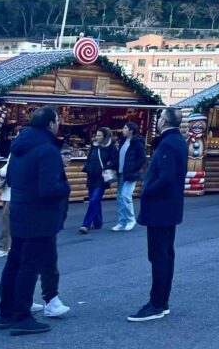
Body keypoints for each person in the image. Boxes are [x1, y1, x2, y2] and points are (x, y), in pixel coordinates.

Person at [0, 107, 70, 336]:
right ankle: (22, 316)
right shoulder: (47, 150)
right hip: (40, 215)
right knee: (30, 266)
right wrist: (65, 187)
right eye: (57, 121)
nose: (58, 124)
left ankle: (6, 312)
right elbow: (49, 189)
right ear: (50, 124)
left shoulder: (19, 146)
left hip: (19, 209)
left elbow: (10, 177)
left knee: (14, 263)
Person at [128, 107, 188, 322]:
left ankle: (156, 303)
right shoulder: (178, 141)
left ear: (164, 121)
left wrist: (147, 191)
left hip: (160, 208)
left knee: (159, 256)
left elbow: (165, 177)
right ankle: (162, 301)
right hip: (170, 207)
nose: (158, 121)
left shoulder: (168, 144)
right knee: (166, 255)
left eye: (160, 117)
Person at [79, 128, 118, 234]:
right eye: (96, 135)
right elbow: (90, 157)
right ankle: (98, 222)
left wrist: (106, 167)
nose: (97, 137)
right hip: (92, 175)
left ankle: (86, 224)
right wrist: (87, 167)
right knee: (94, 199)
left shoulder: (111, 147)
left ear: (105, 137)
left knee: (94, 199)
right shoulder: (94, 145)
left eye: (99, 135)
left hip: (101, 177)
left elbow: (115, 160)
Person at [114, 122, 146, 232]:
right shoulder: (123, 141)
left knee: (126, 196)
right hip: (122, 173)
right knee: (119, 198)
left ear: (131, 130)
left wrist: (134, 168)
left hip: (131, 173)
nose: (122, 130)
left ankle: (130, 220)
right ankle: (121, 221)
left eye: (125, 128)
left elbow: (142, 158)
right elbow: (119, 156)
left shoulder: (137, 143)